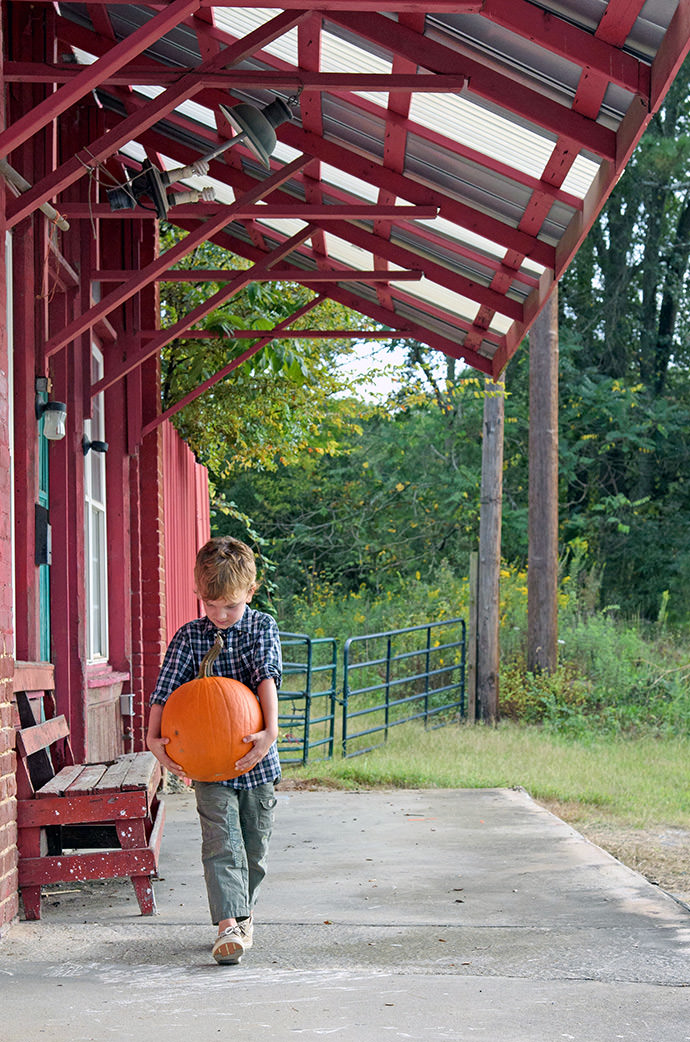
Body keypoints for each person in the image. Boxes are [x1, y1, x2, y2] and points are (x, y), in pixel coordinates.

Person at [147, 536, 281, 965]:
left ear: (250, 594)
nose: (220, 616)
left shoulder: (261, 627)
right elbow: (166, 689)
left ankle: (243, 915)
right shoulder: (190, 637)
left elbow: (266, 677)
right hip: (209, 766)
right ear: (198, 595)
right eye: (211, 605)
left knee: (254, 848)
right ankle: (228, 926)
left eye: (231, 606)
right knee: (221, 842)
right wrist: (153, 737)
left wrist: (270, 732)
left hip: (255, 760)